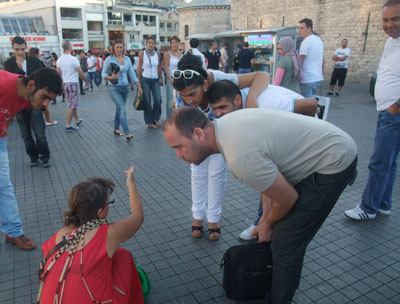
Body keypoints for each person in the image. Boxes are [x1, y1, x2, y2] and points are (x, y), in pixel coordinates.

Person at [163, 106, 357, 304]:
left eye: (178, 147)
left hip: (333, 160)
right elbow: (269, 182)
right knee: (276, 229)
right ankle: (268, 282)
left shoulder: (238, 156)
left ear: (198, 134)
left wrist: (267, 223)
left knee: (286, 240)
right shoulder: (225, 125)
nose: (179, 155)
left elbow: (287, 198)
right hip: (325, 146)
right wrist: (264, 220)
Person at [172, 53, 269, 240]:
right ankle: (197, 217)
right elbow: (180, 113)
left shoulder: (220, 79)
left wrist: (251, 102)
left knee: (217, 174)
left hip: (221, 131)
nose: (189, 100)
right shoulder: (183, 90)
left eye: (193, 94)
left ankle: (214, 220)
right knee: (198, 173)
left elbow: (261, 76)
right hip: (196, 132)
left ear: (205, 84)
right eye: (184, 96)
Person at [207, 80, 318, 240]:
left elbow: (312, 104)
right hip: (278, 134)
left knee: (286, 190)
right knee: (267, 176)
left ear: (237, 100)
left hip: (308, 139)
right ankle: (264, 223)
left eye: (222, 107)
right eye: (215, 109)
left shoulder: (268, 105)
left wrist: (298, 133)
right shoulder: (240, 106)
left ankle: (277, 229)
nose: (218, 114)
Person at [37, 165, 144, 303]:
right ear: (100, 213)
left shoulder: (58, 237)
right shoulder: (107, 234)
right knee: (122, 257)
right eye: (108, 203)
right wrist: (131, 183)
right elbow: (138, 216)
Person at [345, 0, 400, 220]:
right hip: (386, 111)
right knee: (389, 162)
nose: (389, 24)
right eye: (385, 20)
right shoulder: (392, 42)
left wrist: (396, 107)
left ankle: (368, 208)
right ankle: (383, 203)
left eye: (395, 18)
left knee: (378, 162)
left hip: (393, 114)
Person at [0, 67, 62, 251]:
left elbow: (11, 110)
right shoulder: (3, 84)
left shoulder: (28, 97)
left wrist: (5, 125)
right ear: (32, 84)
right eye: (44, 97)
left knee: (4, 187)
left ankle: (13, 231)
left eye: (49, 100)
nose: (45, 105)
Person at [4, 36, 52, 167]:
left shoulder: (34, 61)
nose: (20, 52)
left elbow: (42, 78)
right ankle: (33, 156)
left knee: (39, 130)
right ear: (13, 49)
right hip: (19, 103)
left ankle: (45, 156)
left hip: (33, 101)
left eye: (22, 49)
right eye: (17, 49)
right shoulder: (9, 64)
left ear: (26, 48)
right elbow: (11, 83)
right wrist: (18, 69)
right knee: (25, 132)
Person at [102, 40, 142, 141]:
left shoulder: (127, 59)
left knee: (120, 108)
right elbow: (103, 73)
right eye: (117, 47)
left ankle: (116, 128)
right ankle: (127, 132)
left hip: (125, 87)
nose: (119, 49)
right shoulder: (109, 59)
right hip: (114, 87)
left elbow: (132, 73)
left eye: (121, 47)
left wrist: (138, 84)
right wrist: (109, 78)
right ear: (113, 48)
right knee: (122, 109)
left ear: (123, 48)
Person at [56, 40, 89, 131]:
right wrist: (86, 81)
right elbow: (80, 72)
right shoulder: (73, 59)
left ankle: (77, 120)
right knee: (72, 104)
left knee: (71, 102)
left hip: (64, 83)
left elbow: (58, 73)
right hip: (73, 82)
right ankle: (68, 124)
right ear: (70, 47)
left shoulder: (59, 59)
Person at [137, 36, 163, 129]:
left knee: (158, 100)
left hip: (155, 79)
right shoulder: (142, 54)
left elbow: (159, 67)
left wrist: (161, 78)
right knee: (147, 101)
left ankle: (156, 118)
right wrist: (138, 81)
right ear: (146, 44)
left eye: (152, 43)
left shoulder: (157, 53)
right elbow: (139, 67)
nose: (151, 44)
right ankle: (149, 121)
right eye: (149, 43)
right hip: (145, 79)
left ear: (154, 44)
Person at [298, 18, 324, 97]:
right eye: (299, 28)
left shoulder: (306, 42)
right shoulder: (318, 40)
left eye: (302, 28)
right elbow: (323, 60)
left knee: (305, 106)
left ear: (309, 28)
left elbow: (300, 61)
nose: (300, 31)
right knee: (312, 104)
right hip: (317, 78)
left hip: (307, 79)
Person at [163, 36, 183, 118]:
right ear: (171, 44)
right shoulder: (168, 54)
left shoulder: (182, 54)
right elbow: (165, 67)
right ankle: (170, 118)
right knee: (171, 99)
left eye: (176, 42)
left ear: (179, 43)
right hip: (171, 77)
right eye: (173, 43)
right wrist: (170, 78)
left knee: (179, 98)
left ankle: (177, 117)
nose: (175, 44)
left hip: (180, 78)